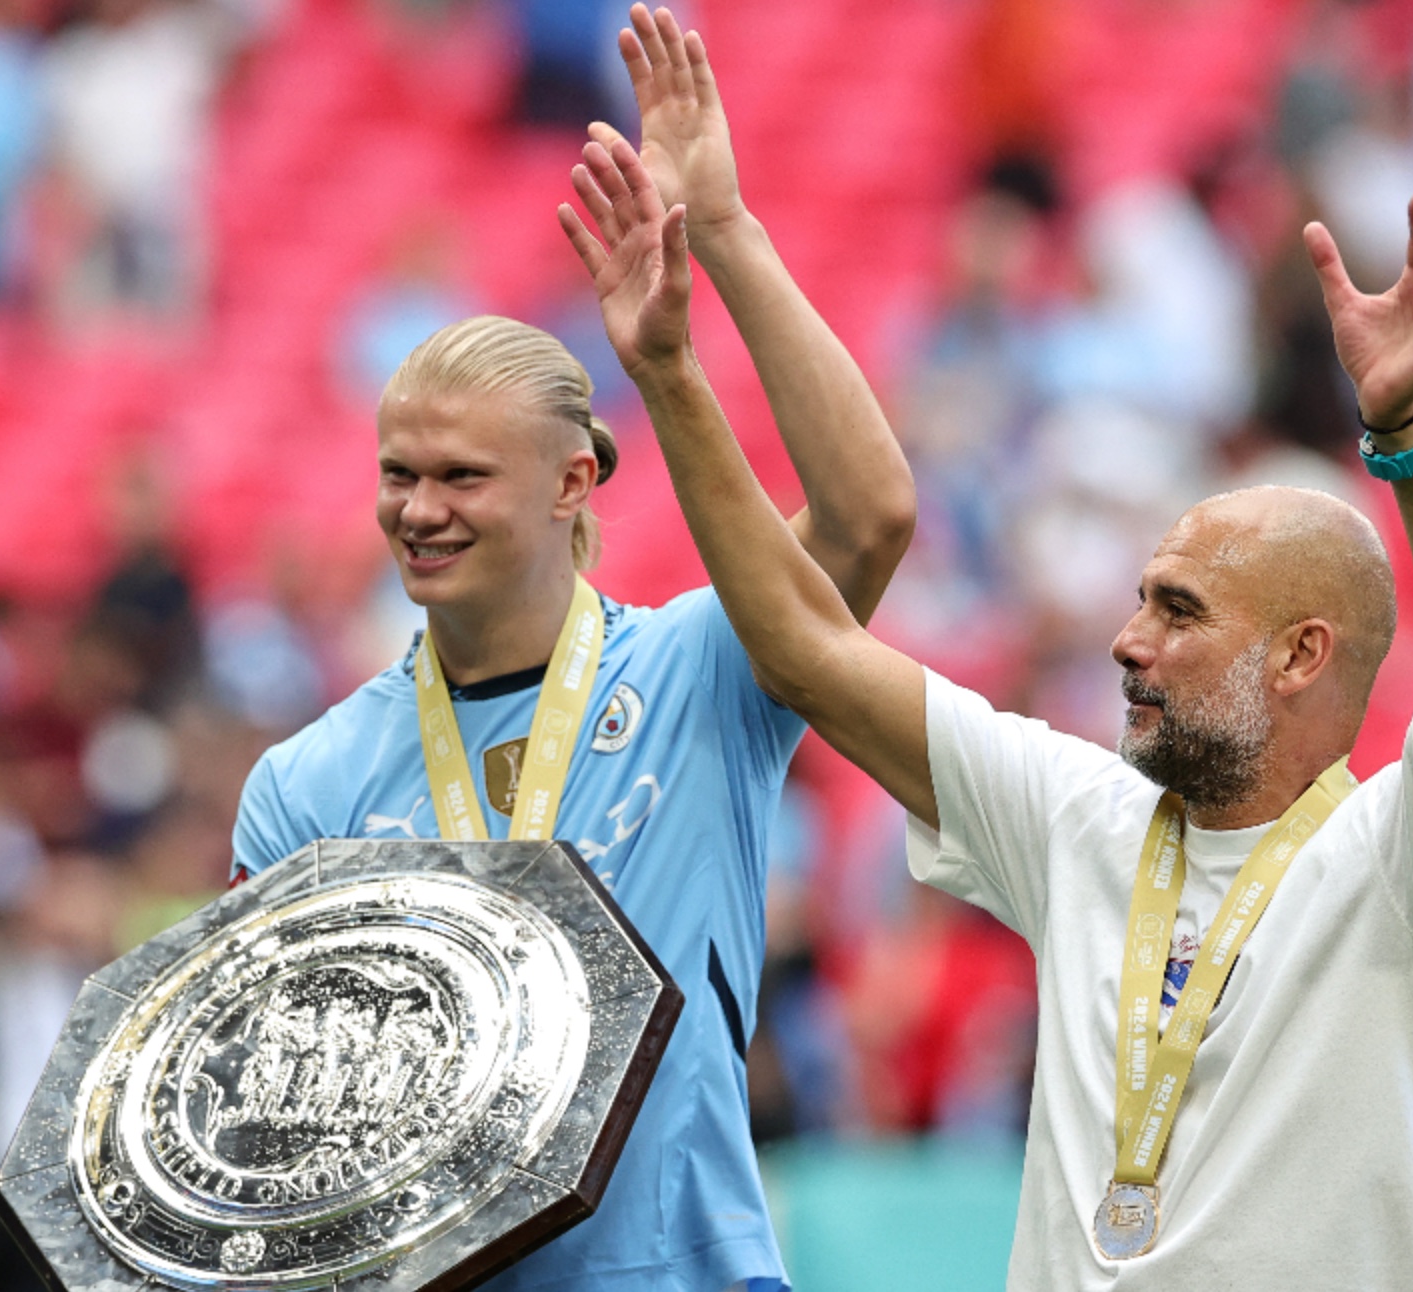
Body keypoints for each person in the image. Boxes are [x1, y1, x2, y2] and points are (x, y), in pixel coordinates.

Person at [563, 114, 1413, 1288]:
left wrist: (1400, 436)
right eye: (1138, 600)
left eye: (1177, 611)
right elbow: (806, 646)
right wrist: (676, 347)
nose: (1126, 640)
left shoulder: (1403, 861)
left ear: (1297, 655)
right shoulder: (1075, 814)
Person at [230, 7, 915, 1291]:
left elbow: (870, 511)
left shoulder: (702, 672)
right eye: (397, 473)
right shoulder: (306, 784)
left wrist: (719, 234)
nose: (418, 509)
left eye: (462, 475)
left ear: (573, 482)